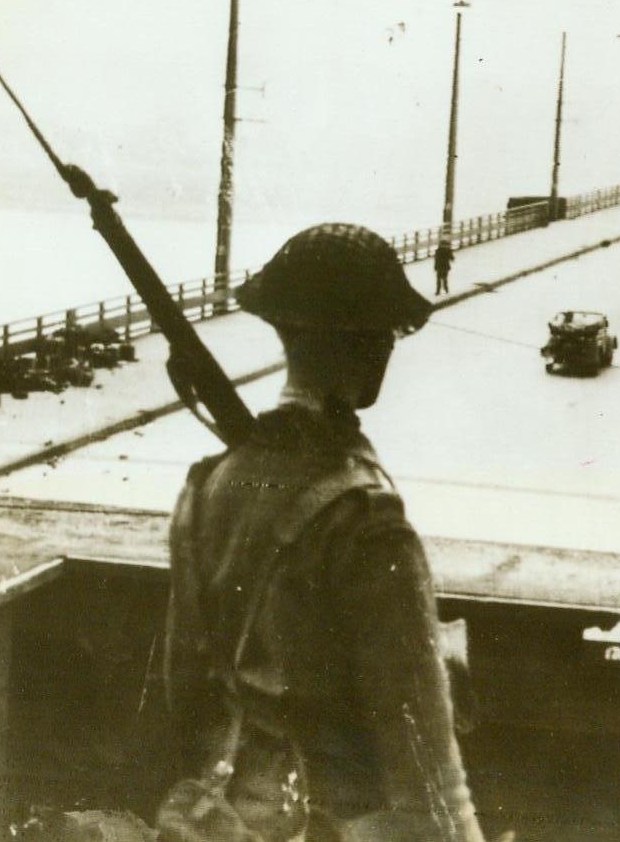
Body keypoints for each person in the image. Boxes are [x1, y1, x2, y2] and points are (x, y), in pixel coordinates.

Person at [160, 223, 486, 842]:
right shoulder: (366, 521)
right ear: (367, 346)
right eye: (386, 333)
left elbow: (188, 702)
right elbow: (430, 776)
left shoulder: (204, 491)